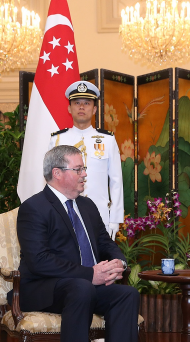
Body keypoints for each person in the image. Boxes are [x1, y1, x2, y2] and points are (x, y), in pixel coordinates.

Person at [13, 145, 158, 342]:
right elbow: (39, 260)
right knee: (80, 288)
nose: (84, 175)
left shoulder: (87, 205)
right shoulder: (34, 208)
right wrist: (91, 274)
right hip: (44, 288)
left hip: (84, 287)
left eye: (84, 169)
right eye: (78, 169)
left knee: (127, 295)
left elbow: (105, 242)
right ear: (57, 173)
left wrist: (118, 263)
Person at [49, 80, 123, 240]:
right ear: (69, 108)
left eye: (87, 103)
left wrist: (115, 219)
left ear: (94, 109)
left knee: (101, 262)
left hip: (100, 214)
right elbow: (51, 181)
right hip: (65, 213)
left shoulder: (107, 140)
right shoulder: (58, 140)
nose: (81, 107)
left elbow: (116, 181)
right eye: (77, 103)